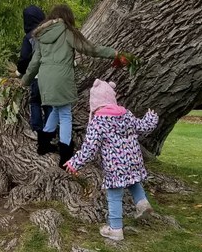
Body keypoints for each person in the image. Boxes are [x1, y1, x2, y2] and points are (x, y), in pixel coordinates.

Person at [20, 4, 120, 166]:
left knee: (56, 110)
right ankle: (66, 156)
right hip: (61, 79)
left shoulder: (41, 35)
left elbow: (34, 62)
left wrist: (25, 81)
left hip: (45, 80)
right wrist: (113, 53)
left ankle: (43, 144)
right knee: (65, 114)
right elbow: (90, 49)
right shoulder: (67, 32)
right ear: (68, 17)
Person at [64, 79, 158, 242]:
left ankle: (115, 229)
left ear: (95, 104)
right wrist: (151, 119)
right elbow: (142, 127)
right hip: (134, 160)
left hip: (115, 166)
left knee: (114, 195)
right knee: (134, 182)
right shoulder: (126, 114)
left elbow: (90, 148)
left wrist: (74, 162)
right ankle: (142, 203)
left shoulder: (98, 123)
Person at [16, 5, 50, 142]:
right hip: (52, 74)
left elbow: (24, 57)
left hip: (36, 76)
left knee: (35, 101)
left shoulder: (29, 37)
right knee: (49, 103)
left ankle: (37, 129)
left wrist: (21, 71)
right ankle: (50, 130)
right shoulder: (50, 32)